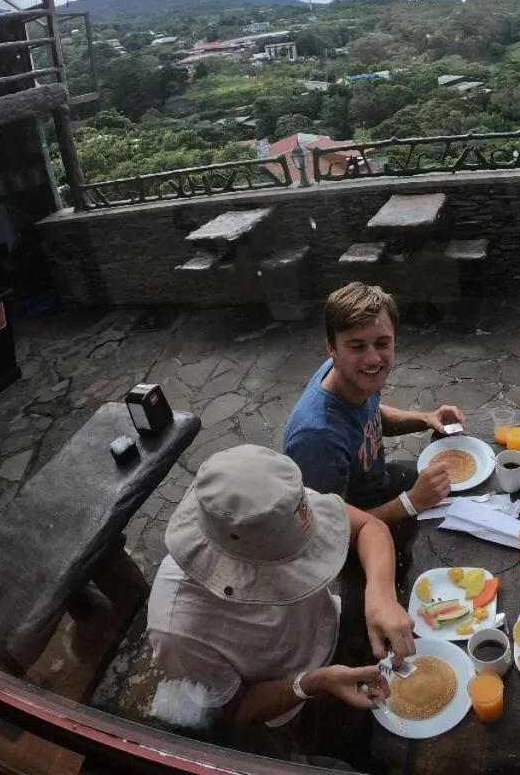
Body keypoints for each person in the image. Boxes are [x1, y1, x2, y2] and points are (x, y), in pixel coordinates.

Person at [147, 445, 415, 764]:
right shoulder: (178, 629)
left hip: (334, 624)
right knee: (347, 754)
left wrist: (380, 594)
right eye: (290, 566)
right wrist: (314, 682)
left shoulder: (270, 505)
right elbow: (236, 707)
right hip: (292, 704)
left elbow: (369, 527)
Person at [284, 282, 466, 525]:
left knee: (462, 488)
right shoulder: (317, 439)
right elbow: (328, 532)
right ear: (331, 348)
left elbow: (369, 416)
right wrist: (413, 501)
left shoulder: (347, 376)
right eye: (357, 346)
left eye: (382, 343)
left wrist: (426, 418)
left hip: (379, 486)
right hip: (358, 534)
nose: (372, 359)